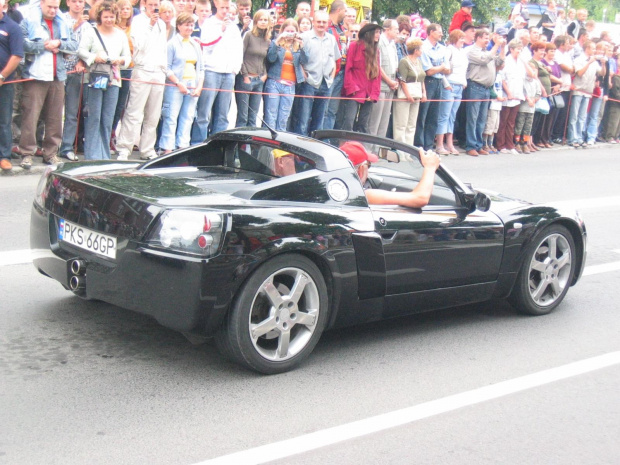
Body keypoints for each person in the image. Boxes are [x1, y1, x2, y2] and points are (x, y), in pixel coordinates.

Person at [18, 0, 78, 169]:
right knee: (30, 116)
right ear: (41, 4)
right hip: (35, 74)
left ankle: (50, 153)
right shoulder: (29, 20)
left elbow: (74, 45)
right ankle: (27, 153)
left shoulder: (64, 22)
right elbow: (21, 43)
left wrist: (59, 43)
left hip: (57, 74)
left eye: (56, 7)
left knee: (55, 117)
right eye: (49, 7)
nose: (53, 10)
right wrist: (43, 45)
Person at [115, 0, 167, 161]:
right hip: (142, 69)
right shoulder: (138, 21)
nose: (154, 8)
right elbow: (140, 45)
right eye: (151, 5)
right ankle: (124, 147)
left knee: (153, 114)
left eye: (156, 5)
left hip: (158, 71)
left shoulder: (162, 24)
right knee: (134, 111)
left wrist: (163, 69)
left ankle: (147, 148)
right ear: (145, 5)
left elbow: (162, 49)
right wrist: (150, 25)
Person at [79, 1, 131, 160]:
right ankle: (92, 155)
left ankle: (104, 155)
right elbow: (81, 50)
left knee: (108, 117)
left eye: (112, 16)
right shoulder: (91, 32)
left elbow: (128, 57)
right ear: (100, 17)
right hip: (96, 77)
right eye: (106, 16)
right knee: (94, 116)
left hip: (114, 79)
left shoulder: (121, 34)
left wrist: (120, 60)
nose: (109, 19)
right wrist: (95, 57)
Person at [191, 0, 242, 143]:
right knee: (204, 112)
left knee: (223, 114)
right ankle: (198, 143)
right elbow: (206, 44)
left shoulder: (234, 27)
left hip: (228, 73)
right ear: (217, 8)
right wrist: (221, 30)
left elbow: (238, 49)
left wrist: (234, 69)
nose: (225, 11)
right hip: (212, 71)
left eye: (228, 8)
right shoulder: (209, 23)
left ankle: (218, 144)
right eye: (223, 8)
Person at [339, 140, 440, 209]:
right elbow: (420, 198)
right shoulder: (365, 195)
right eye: (368, 165)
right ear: (361, 169)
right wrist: (430, 167)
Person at [159, 11, 203, 153]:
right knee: (171, 117)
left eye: (191, 25)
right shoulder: (172, 44)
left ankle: (182, 147)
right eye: (186, 25)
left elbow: (201, 68)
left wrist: (199, 86)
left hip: (192, 83)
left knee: (188, 117)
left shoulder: (195, 44)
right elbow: (166, 67)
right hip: (175, 85)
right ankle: (167, 148)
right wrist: (178, 82)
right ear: (178, 26)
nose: (189, 28)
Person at [291, 11, 340, 136]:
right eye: (319, 22)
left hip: (326, 83)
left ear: (328, 24)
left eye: (324, 22)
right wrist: (304, 76)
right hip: (309, 82)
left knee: (319, 121)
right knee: (303, 119)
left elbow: (334, 59)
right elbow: (297, 60)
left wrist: (332, 75)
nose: (321, 24)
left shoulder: (332, 39)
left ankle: (314, 150)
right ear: (313, 22)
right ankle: (300, 150)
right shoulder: (305, 37)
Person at [58, 0, 90, 162]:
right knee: (54, 112)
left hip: (76, 73)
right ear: (68, 3)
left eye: (81, 2)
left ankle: (67, 147)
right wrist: (76, 25)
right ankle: (51, 145)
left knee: (72, 113)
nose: (78, 5)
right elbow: (59, 42)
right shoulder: (60, 18)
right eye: (74, 1)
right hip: (58, 70)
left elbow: (89, 48)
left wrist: (82, 62)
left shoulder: (89, 26)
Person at [465, 29, 505, 156]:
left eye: (489, 38)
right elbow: (484, 60)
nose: (488, 41)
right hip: (475, 87)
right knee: (473, 118)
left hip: (486, 89)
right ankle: (471, 145)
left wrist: (502, 48)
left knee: (482, 119)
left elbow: (500, 63)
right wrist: (497, 46)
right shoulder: (472, 51)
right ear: (478, 38)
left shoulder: (489, 52)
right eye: (485, 38)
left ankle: (479, 145)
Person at [337, 22, 381, 133]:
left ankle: (360, 148)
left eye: (379, 33)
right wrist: (352, 88)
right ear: (368, 33)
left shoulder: (376, 51)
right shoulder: (354, 46)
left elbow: (377, 74)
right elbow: (348, 69)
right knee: (348, 121)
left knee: (363, 124)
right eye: (376, 32)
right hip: (355, 91)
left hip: (369, 92)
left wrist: (374, 94)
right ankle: (345, 146)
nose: (378, 35)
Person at [263, 18, 306, 131]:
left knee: (284, 117)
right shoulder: (276, 43)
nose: (290, 34)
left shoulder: (298, 45)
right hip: (274, 82)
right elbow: (271, 59)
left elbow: (305, 61)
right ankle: (267, 144)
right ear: (282, 31)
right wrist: (277, 41)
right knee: (271, 116)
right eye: (288, 31)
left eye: (293, 32)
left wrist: (302, 46)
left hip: (290, 85)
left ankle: (279, 144)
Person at [415, 23, 449, 151]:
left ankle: (428, 146)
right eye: (438, 31)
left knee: (434, 116)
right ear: (430, 32)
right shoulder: (423, 47)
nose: (441, 34)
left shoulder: (442, 48)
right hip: (427, 82)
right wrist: (441, 67)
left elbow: (448, 69)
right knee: (422, 115)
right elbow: (428, 71)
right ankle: (419, 145)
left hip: (439, 82)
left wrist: (439, 68)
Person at [235, 9, 271, 127]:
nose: (263, 22)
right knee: (243, 116)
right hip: (245, 79)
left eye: (265, 20)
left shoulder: (268, 40)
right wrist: (245, 76)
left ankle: (249, 144)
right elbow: (240, 56)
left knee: (253, 116)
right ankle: (238, 144)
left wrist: (264, 75)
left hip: (259, 81)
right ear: (255, 21)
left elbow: (265, 60)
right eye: (260, 20)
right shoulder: (249, 35)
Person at [0, 0, 23, 172]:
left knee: (4, 120)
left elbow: (16, 55)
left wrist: (2, 76)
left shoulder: (13, 27)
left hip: (4, 82)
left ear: (4, 6)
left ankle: (4, 156)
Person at [435, 29, 467, 155]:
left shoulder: (462, 52)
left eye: (463, 38)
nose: (463, 41)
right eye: (461, 38)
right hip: (449, 85)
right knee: (444, 116)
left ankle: (450, 144)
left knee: (452, 117)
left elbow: (464, 70)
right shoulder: (448, 50)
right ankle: (439, 145)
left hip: (459, 86)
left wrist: (464, 82)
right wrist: (446, 84)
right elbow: (442, 68)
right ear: (455, 38)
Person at [567, 40, 604, 147]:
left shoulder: (595, 62)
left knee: (582, 116)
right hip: (578, 90)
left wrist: (603, 64)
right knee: (574, 115)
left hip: (588, 91)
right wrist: (588, 63)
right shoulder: (579, 59)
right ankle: (572, 138)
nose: (594, 50)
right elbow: (579, 73)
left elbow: (601, 73)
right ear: (587, 48)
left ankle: (579, 137)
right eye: (592, 48)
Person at [368, 19, 399, 140]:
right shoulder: (379, 42)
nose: (398, 31)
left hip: (390, 86)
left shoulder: (393, 44)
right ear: (387, 29)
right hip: (380, 86)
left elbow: (394, 64)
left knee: (384, 120)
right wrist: (389, 81)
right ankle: (369, 149)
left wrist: (394, 81)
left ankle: (379, 148)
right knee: (375, 120)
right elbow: (377, 66)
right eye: (395, 29)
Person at [392, 37, 426, 145]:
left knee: (412, 124)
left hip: (417, 94)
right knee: (401, 124)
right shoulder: (404, 61)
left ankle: (409, 149)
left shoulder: (419, 62)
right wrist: (408, 95)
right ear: (416, 50)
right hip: (405, 95)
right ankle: (400, 150)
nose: (422, 51)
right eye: (421, 49)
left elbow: (421, 79)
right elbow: (402, 80)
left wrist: (424, 93)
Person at [110, 0, 133, 154]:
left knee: (120, 106)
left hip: (128, 69)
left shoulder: (133, 27)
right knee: (110, 104)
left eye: (128, 8)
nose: (125, 11)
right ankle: (107, 135)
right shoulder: (113, 28)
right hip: (113, 68)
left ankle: (113, 133)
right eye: (122, 8)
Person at [496, 40, 527, 154]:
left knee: (511, 122)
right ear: (511, 49)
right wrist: (508, 92)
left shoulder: (521, 62)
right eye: (518, 49)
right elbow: (503, 79)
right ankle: (501, 145)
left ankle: (510, 145)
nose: (519, 51)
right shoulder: (507, 61)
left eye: (521, 49)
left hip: (517, 95)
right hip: (507, 95)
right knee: (503, 121)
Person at [323, 0, 347, 130]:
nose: (346, 13)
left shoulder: (342, 28)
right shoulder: (326, 26)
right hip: (330, 72)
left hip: (341, 71)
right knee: (324, 109)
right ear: (339, 10)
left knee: (332, 111)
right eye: (345, 10)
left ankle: (327, 139)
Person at [514, 67, 541, 153]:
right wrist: (527, 99)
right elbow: (522, 92)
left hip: (531, 108)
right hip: (523, 107)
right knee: (519, 126)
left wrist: (534, 100)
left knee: (528, 127)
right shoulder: (523, 81)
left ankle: (524, 143)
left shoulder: (536, 82)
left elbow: (538, 94)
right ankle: (516, 142)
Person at [482, 61, 506, 153]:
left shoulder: (500, 74)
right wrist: (496, 96)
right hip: (492, 103)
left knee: (495, 125)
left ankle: (491, 143)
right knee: (489, 124)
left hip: (498, 105)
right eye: (502, 63)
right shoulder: (492, 74)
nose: (504, 65)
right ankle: (485, 144)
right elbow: (490, 88)